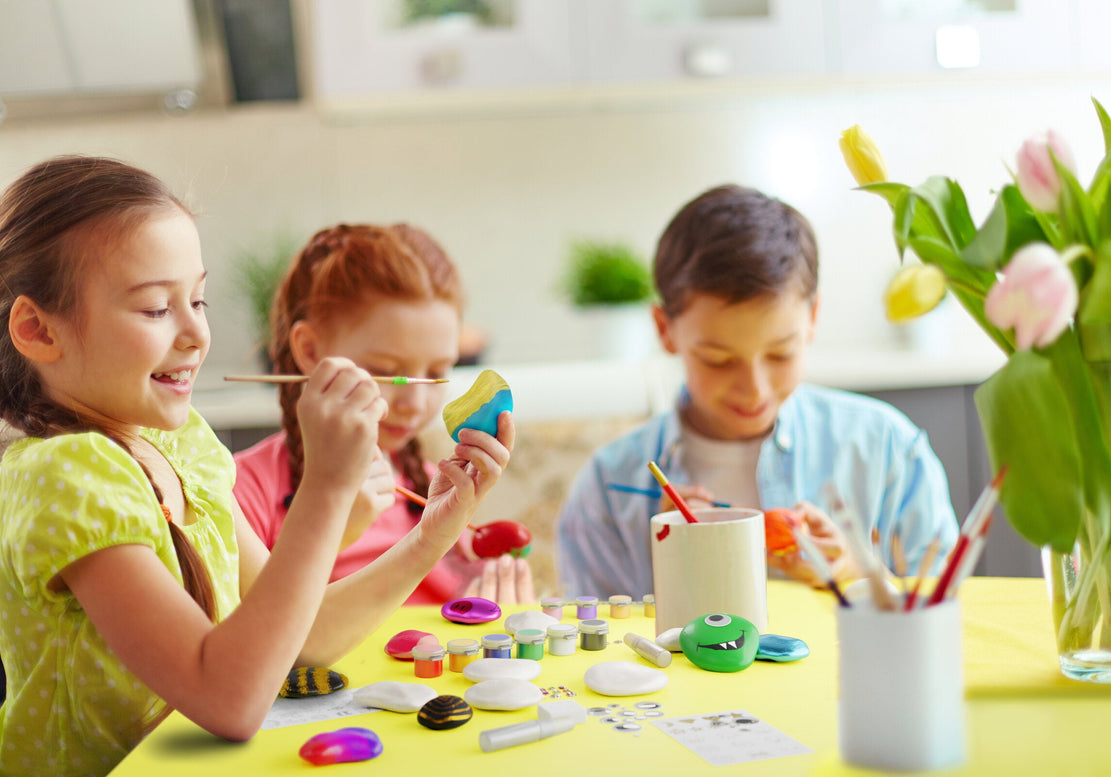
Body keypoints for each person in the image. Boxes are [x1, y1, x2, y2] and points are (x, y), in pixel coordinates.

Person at [0, 156, 512, 777]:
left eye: (198, 299)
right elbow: (229, 701)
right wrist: (325, 489)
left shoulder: (180, 442)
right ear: (36, 329)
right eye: (156, 309)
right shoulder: (65, 473)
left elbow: (300, 641)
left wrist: (436, 531)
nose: (197, 335)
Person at [556, 184, 958, 600]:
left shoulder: (886, 448)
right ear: (664, 329)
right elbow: (594, 647)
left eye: (781, 354)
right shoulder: (609, 487)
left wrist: (853, 572)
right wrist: (671, 572)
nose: (754, 389)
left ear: (813, 317)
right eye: (717, 359)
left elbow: (950, 612)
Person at [233, 223, 533, 604]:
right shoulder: (244, 492)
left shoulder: (430, 487)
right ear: (309, 351)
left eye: (437, 373)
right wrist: (331, 527)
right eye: (390, 372)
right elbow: (256, 639)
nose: (414, 402)